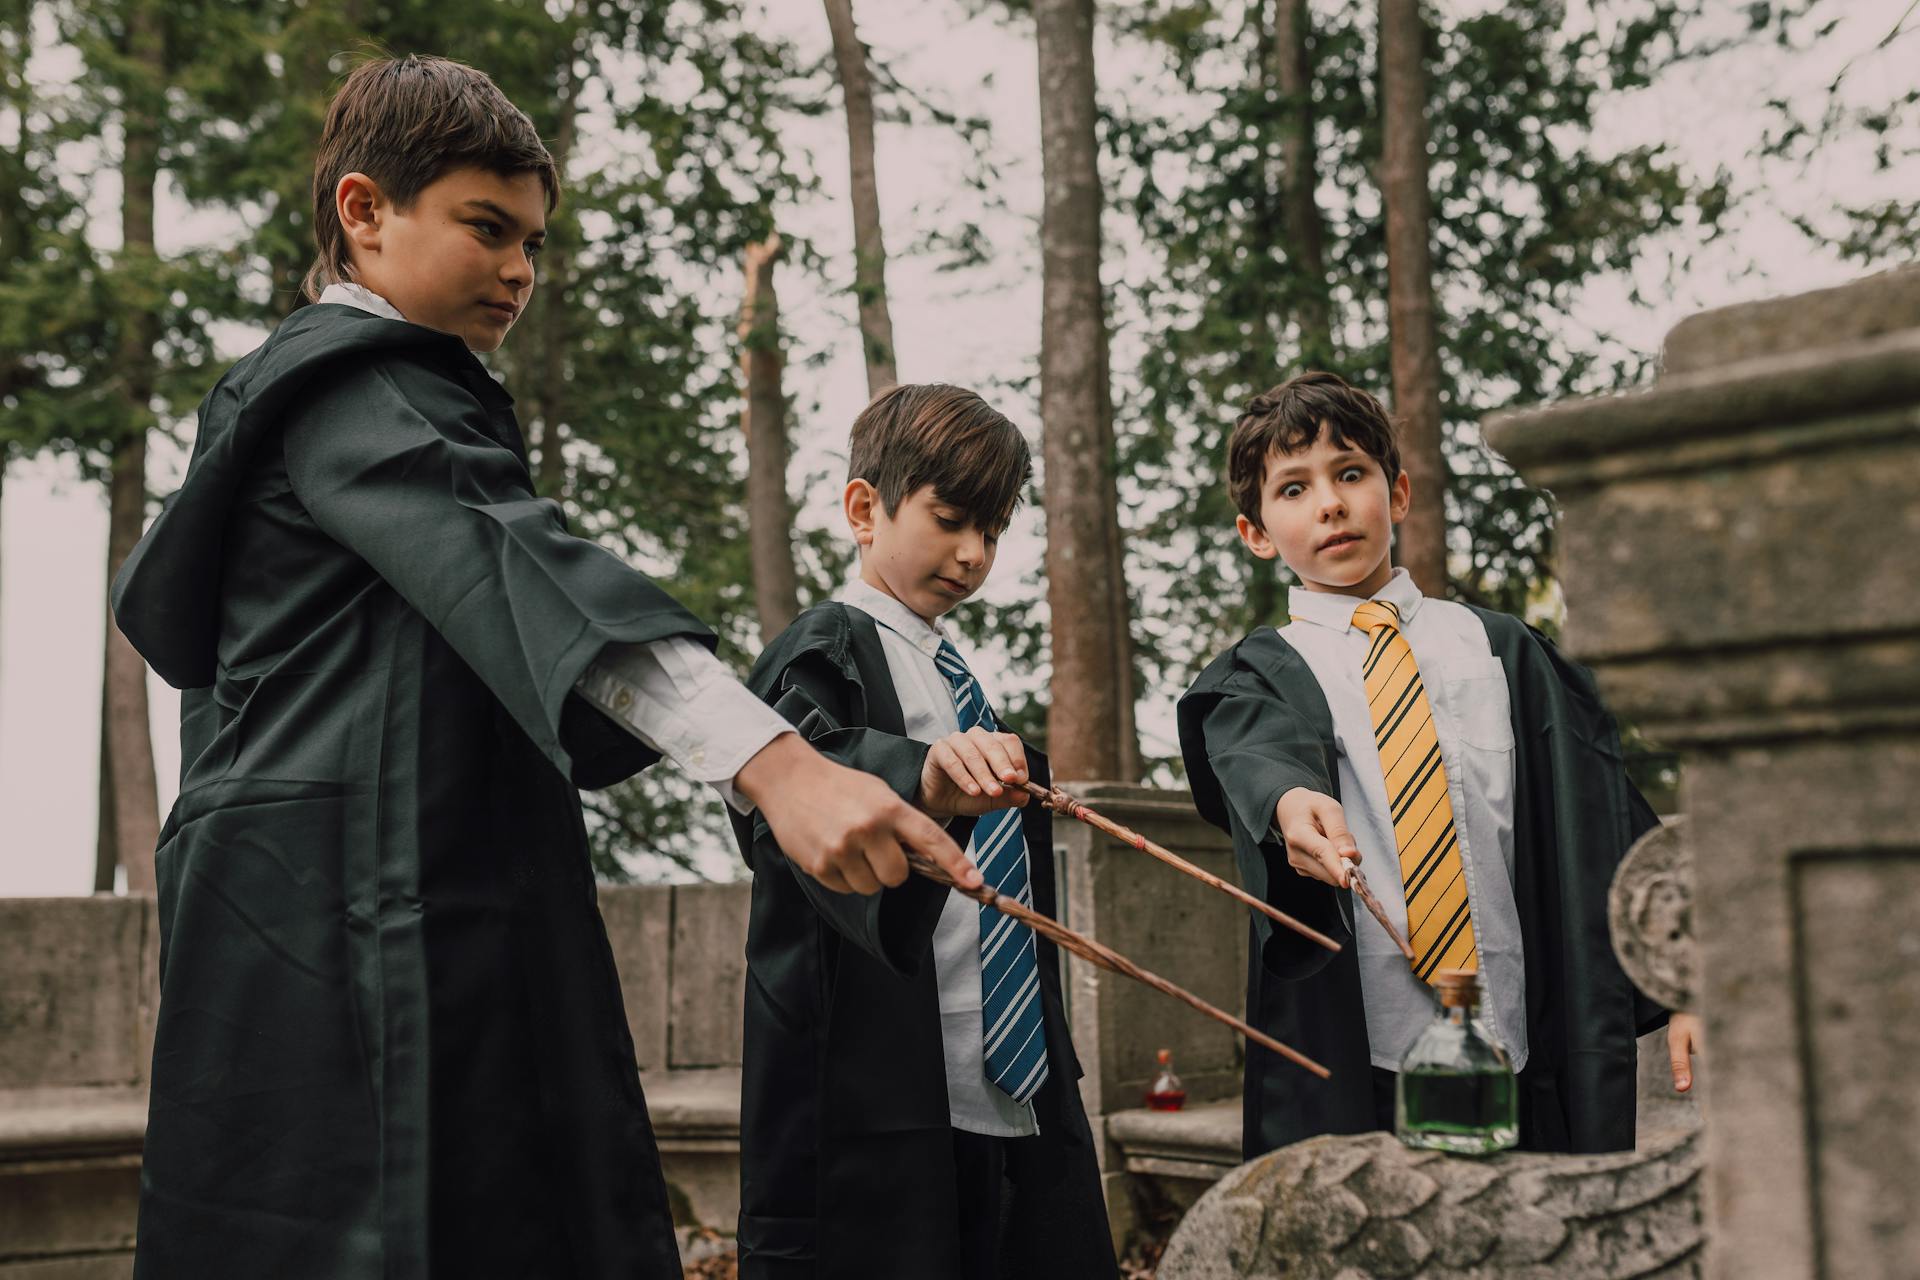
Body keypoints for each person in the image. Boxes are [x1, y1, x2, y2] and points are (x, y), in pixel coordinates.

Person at [109, 55, 979, 1279]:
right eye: (486, 227)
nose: (521, 269)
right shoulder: (351, 387)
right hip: (357, 925)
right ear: (364, 211)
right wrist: (781, 767)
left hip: (348, 904)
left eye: (532, 239)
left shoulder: (360, 398)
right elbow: (517, 564)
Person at [1176, 370, 1701, 1158]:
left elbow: (1602, 818)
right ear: (1256, 532)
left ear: (1399, 493)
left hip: (1519, 1040)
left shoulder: (1503, 653)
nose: (1330, 503)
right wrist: (1289, 805)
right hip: (1365, 1058)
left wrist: (1678, 979)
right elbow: (1255, 753)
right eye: (1293, 489)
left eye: (1351, 474)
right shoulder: (1261, 673)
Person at [728, 384, 1118, 1279]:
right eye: (948, 519)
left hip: (1004, 1066)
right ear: (865, 508)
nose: (973, 554)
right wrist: (922, 780)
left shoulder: (956, 676)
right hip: (880, 1071)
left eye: (994, 529)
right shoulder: (823, 648)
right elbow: (794, 779)